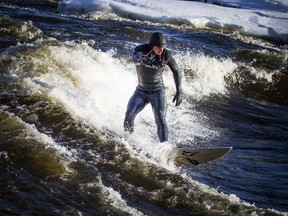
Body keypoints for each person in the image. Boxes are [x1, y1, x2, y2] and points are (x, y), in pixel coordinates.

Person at [123, 32, 182, 142]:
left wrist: (179, 91)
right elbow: (135, 57)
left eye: (163, 48)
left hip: (157, 91)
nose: (161, 50)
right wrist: (141, 59)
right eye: (159, 48)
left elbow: (176, 71)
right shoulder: (141, 49)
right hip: (141, 91)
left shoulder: (166, 55)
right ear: (152, 45)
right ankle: (128, 140)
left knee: (160, 118)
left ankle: (165, 147)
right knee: (129, 114)